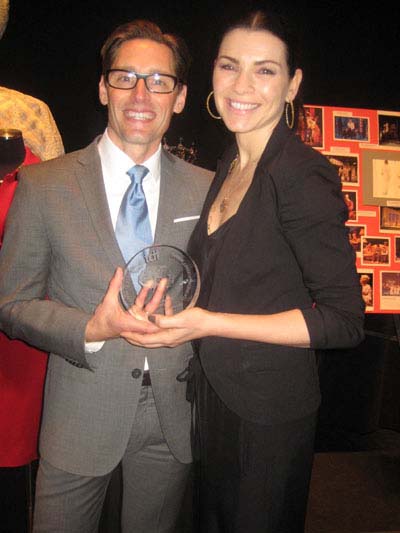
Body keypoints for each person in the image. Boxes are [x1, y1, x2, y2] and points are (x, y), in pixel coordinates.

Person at [128, 10, 365, 532]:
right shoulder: (230, 165)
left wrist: (209, 322)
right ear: (211, 74)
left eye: (265, 70)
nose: (242, 86)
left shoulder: (301, 175)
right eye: (229, 66)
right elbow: (237, 280)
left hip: (268, 415)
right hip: (214, 398)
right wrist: (173, 300)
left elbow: (344, 321)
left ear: (292, 84)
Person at [0, 18, 211, 533]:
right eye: (125, 77)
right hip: (79, 410)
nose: (142, 93)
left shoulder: (209, 192)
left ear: (179, 97)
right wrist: (89, 330)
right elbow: (10, 303)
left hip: (171, 415)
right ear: (103, 87)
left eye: (159, 80)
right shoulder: (43, 185)